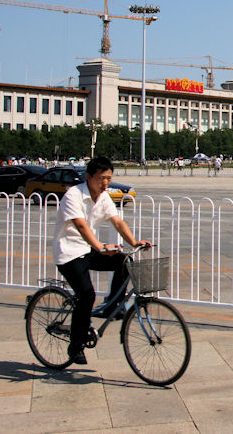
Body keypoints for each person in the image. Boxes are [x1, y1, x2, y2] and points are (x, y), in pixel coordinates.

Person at [53, 156, 151, 365]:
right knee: (86, 295)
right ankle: (75, 345)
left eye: (108, 178)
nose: (105, 182)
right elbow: (80, 225)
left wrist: (134, 242)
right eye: (101, 178)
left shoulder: (104, 197)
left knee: (124, 261)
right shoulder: (74, 195)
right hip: (69, 253)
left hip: (88, 250)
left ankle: (112, 305)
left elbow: (117, 221)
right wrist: (99, 247)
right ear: (88, 177)